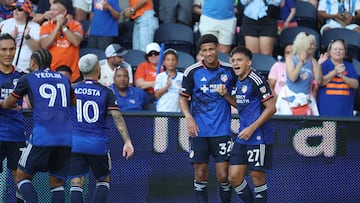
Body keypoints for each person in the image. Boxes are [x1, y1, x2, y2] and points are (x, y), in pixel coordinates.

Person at [0, 48, 76, 203]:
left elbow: (8, 104)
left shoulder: (28, 78)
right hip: (67, 136)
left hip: (44, 134)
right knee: (57, 183)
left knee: (21, 177)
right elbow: (73, 102)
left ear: (33, 62)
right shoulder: (63, 78)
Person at [68, 54, 134, 203]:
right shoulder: (106, 92)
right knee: (103, 179)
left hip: (75, 142)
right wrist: (127, 141)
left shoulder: (72, 89)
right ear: (98, 69)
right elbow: (117, 117)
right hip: (97, 144)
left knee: (76, 182)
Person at [179, 34, 236, 203]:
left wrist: (226, 95)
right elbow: (182, 99)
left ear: (218, 48)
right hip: (199, 131)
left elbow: (240, 100)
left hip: (222, 130)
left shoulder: (229, 70)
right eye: (205, 50)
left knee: (224, 176)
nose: (209, 53)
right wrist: (188, 117)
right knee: (200, 173)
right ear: (201, 52)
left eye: (211, 49)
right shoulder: (192, 72)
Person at [216, 45, 276, 203]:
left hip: (259, 136)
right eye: (233, 60)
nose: (235, 63)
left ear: (248, 62)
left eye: (239, 60)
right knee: (234, 177)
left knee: (256, 176)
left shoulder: (257, 80)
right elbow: (239, 105)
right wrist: (226, 95)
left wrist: (252, 128)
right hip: (243, 136)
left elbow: (271, 108)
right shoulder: (237, 81)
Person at [0, 33, 26, 203]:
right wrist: (5, 104)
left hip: (17, 135)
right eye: (3, 49)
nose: (8, 53)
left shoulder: (22, 76)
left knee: (21, 180)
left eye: (11, 49)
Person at [275, 32, 325, 116]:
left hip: (306, 98)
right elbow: (293, 78)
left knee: (307, 128)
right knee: (287, 126)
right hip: (289, 98)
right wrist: (301, 62)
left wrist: (319, 65)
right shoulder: (290, 58)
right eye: (311, 44)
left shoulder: (313, 61)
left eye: (314, 44)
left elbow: (319, 81)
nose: (313, 47)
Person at [40, 0, 84, 83]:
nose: (51, 12)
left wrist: (63, 26)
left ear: (64, 12)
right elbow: (44, 45)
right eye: (50, 10)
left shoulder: (75, 24)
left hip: (72, 75)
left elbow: (76, 41)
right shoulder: (46, 25)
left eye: (55, 10)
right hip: (51, 73)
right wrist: (57, 27)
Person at [317, 39, 359, 116]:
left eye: (341, 49)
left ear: (345, 52)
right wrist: (334, 72)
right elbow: (320, 83)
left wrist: (343, 76)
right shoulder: (323, 64)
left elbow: (355, 85)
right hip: (326, 111)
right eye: (335, 49)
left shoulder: (349, 66)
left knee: (345, 128)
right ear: (329, 52)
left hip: (345, 111)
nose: (338, 51)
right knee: (329, 128)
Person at [0, 0, 40, 73]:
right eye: (14, 8)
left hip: (26, 68)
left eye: (20, 9)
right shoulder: (4, 24)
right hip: (5, 68)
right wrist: (11, 39)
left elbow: (37, 49)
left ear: (27, 12)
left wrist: (28, 37)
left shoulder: (35, 27)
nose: (16, 11)